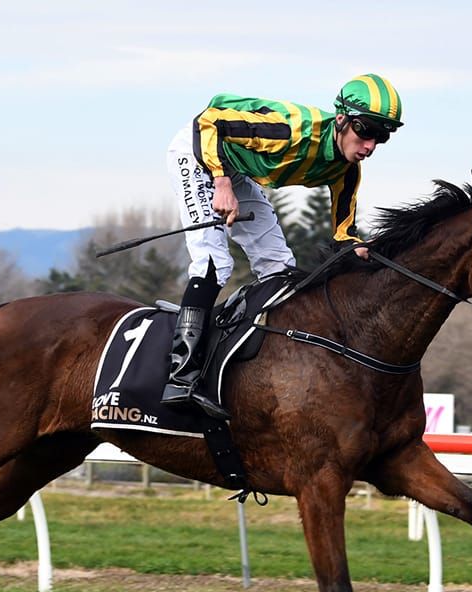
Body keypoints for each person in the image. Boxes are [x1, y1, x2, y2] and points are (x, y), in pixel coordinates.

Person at [161, 73, 404, 419]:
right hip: (201, 151)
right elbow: (209, 122)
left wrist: (365, 252)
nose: (370, 146)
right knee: (215, 264)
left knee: (279, 269)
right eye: (365, 131)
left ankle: (259, 367)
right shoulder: (290, 131)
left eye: (382, 136)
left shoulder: (347, 171)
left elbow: (344, 234)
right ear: (341, 120)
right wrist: (221, 181)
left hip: (238, 167)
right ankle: (180, 375)